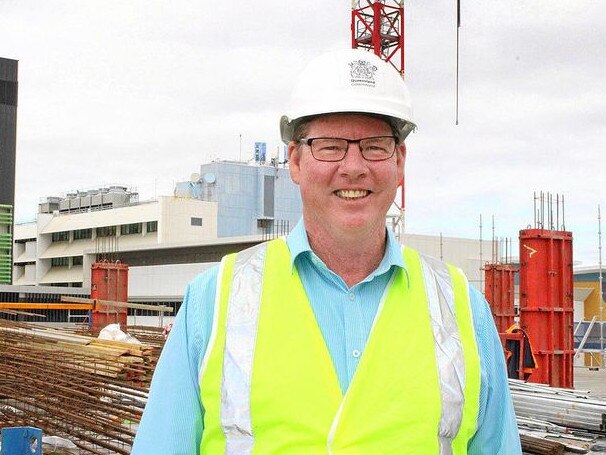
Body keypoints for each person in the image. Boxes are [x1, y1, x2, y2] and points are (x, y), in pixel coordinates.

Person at [132, 48, 521, 454]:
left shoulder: (461, 308)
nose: (353, 166)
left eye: (374, 146)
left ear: (400, 161)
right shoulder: (214, 301)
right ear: (296, 161)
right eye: (331, 146)